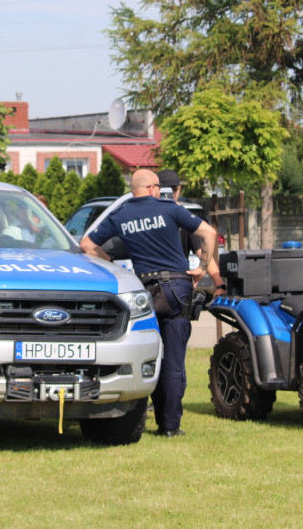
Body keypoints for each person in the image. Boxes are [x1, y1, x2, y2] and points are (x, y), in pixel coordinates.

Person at [80, 169, 217, 437]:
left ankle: (138, 413)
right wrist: (201, 269)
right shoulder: (169, 209)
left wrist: (110, 263)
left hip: (145, 289)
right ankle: (170, 427)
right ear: (154, 188)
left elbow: (86, 244)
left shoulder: (121, 215)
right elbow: (209, 233)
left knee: (146, 354)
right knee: (174, 361)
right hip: (177, 288)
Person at [156, 169, 227, 297]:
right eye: (167, 190)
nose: (171, 194)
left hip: (166, 286)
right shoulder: (182, 217)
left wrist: (219, 284)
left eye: (173, 189)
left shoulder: (185, 218)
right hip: (169, 286)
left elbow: (204, 253)